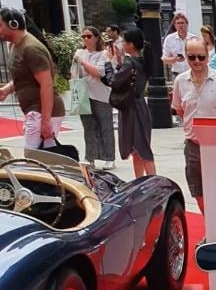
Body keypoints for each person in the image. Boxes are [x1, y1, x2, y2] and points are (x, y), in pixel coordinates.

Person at [171, 26, 216, 211]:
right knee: (196, 187)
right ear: (186, 56)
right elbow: (179, 110)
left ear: (208, 55)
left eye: (201, 57)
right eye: (192, 57)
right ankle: (208, 220)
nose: (197, 61)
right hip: (193, 144)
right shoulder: (180, 81)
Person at [0, 6, 71, 153]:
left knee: (33, 158)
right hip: (35, 111)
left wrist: (45, 121)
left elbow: (47, 84)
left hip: (42, 111)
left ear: (13, 24)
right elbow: (25, 76)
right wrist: (7, 89)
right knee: (41, 158)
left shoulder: (30, 48)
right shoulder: (15, 46)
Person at [107, 27, 156, 177]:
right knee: (139, 148)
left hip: (131, 108)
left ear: (131, 44)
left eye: (124, 42)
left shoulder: (130, 64)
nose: (122, 44)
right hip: (140, 105)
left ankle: (151, 181)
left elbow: (113, 81)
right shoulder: (141, 61)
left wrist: (108, 63)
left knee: (141, 148)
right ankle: (142, 180)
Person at [71, 27, 116, 169]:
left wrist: (83, 63)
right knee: (88, 127)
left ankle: (109, 157)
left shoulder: (103, 54)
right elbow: (74, 72)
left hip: (101, 95)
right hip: (84, 94)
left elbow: (99, 72)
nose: (85, 39)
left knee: (105, 126)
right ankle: (90, 157)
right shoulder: (79, 53)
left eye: (89, 36)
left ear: (96, 37)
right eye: (83, 36)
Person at [162, 12, 188, 82]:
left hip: (191, 73)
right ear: (175, 25)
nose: (180, 25)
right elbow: (164, 58)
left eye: (182, 23)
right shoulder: (169, 39)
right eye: (178, 23)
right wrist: (174, 59)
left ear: (186, 24)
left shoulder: (193, 38)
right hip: (177, 74)